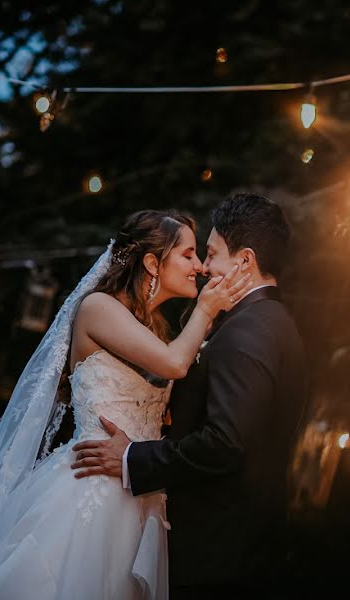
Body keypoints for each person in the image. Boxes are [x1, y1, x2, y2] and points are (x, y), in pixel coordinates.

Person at [0, 209, 252, 599]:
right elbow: (174, 363)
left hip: (138, 499)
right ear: (153, 262)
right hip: (87, 493)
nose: (198, 266)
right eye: (188, 254)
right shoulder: (99, 308)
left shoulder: (155, 330)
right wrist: (207, 310)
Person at [71, 193, 307, 599]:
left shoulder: (250, 329)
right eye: (194, 255)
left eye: (210, 253)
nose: (204, 266)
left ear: (245, 261)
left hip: (217, 553)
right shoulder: (271, 323)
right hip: (210, 542)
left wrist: (132, 457)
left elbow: (225, 442)